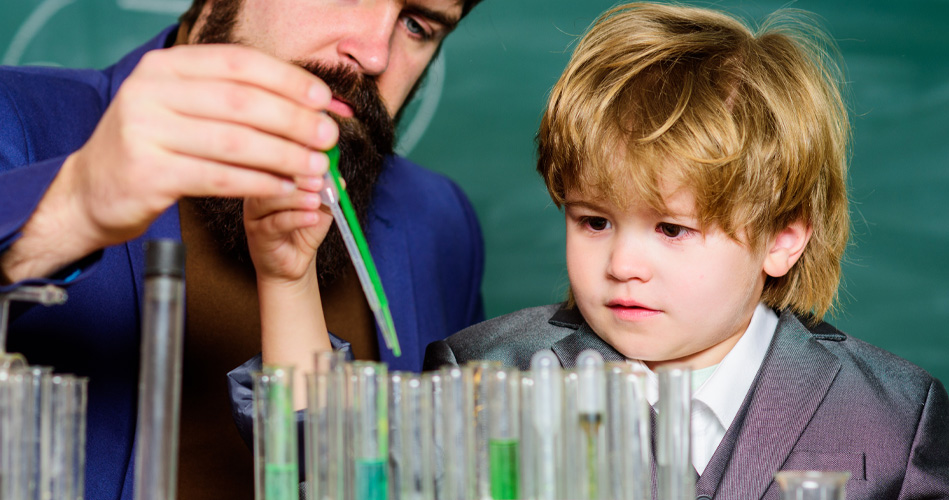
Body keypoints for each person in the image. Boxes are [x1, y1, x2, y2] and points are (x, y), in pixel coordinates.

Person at [423, 3, 949, 498]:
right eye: (595, 221)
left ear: (783, 238)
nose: (623, 266)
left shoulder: (893, 416)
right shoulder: (482, 377)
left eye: (672, 230)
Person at [0, 0, 486, 498]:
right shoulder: (13, 116)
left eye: (416, 24)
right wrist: (69, 208)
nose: (374, 53)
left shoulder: (440, 225)